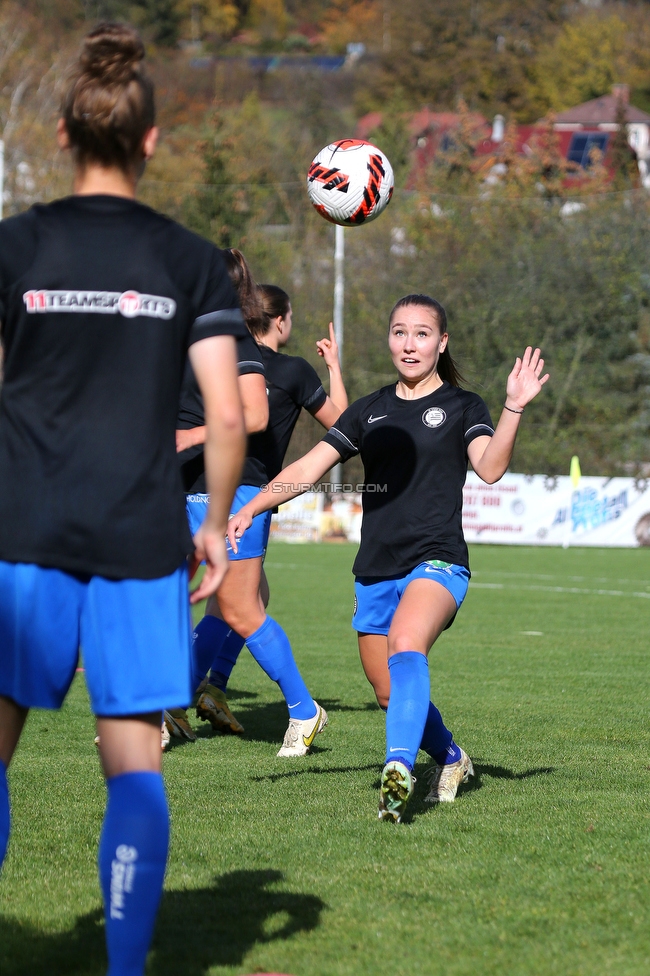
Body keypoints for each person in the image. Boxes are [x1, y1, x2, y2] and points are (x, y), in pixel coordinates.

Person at [0, 22, 246, 976]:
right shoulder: (187, 260)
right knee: (135, 768)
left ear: (63, 132)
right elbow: (226, 418)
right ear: (150, 141)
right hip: (144, 539)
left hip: (23, 532)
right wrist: (217, 525)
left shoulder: (16, 246)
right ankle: (126, 968)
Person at [228, 294, 549, 820]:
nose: (410, 344)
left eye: (422, 334)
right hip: (375, 568)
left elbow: (489, 468)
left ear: (441, 343)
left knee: (406, 644)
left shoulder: (466, 406)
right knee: (385, 691)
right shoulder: (369, 409)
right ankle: (450, 757)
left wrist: (513, 405)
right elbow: (309, 467)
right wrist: (254, 506)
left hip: (438, 560)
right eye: (400, 332)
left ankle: (396, 770)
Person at [192, 284, 349, 756]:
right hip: (245, 494)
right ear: (280, 321)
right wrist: (334, 367)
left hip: (198, 486)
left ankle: (209, 688)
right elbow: (344, 424)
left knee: (244, 597)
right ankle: (299, 709)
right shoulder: (291, 370)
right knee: (241, 605)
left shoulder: (222, 362)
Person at [163, 248, 269, 744]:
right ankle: (170, 705)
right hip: (171, 485)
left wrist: (193, 436)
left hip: (214, 490)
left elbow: (254, 416)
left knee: (238, 603)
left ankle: (300, 707)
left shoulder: (233, 341)